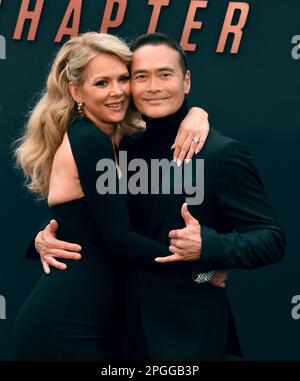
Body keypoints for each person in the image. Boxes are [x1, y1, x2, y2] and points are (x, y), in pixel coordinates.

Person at [35, 33, 287, 361]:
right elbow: (98, 216)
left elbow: (271, 239)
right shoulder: (123, 146)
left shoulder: (220, 154)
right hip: (116, 335)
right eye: (140, 76)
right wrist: (43, 237)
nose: (153, 86)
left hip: (186, 339)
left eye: (165, 74)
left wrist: (208, 249)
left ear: (186, 81)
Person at [12, 32, 214, 361]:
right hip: (67, 329)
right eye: (102, 83)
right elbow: (119, 238)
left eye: (123, 79)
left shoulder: (111, 137)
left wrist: (198, 113)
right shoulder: (90, 139)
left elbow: (82, 223)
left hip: (95, 323)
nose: (117, 91)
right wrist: (201, 270)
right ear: (76, 91)